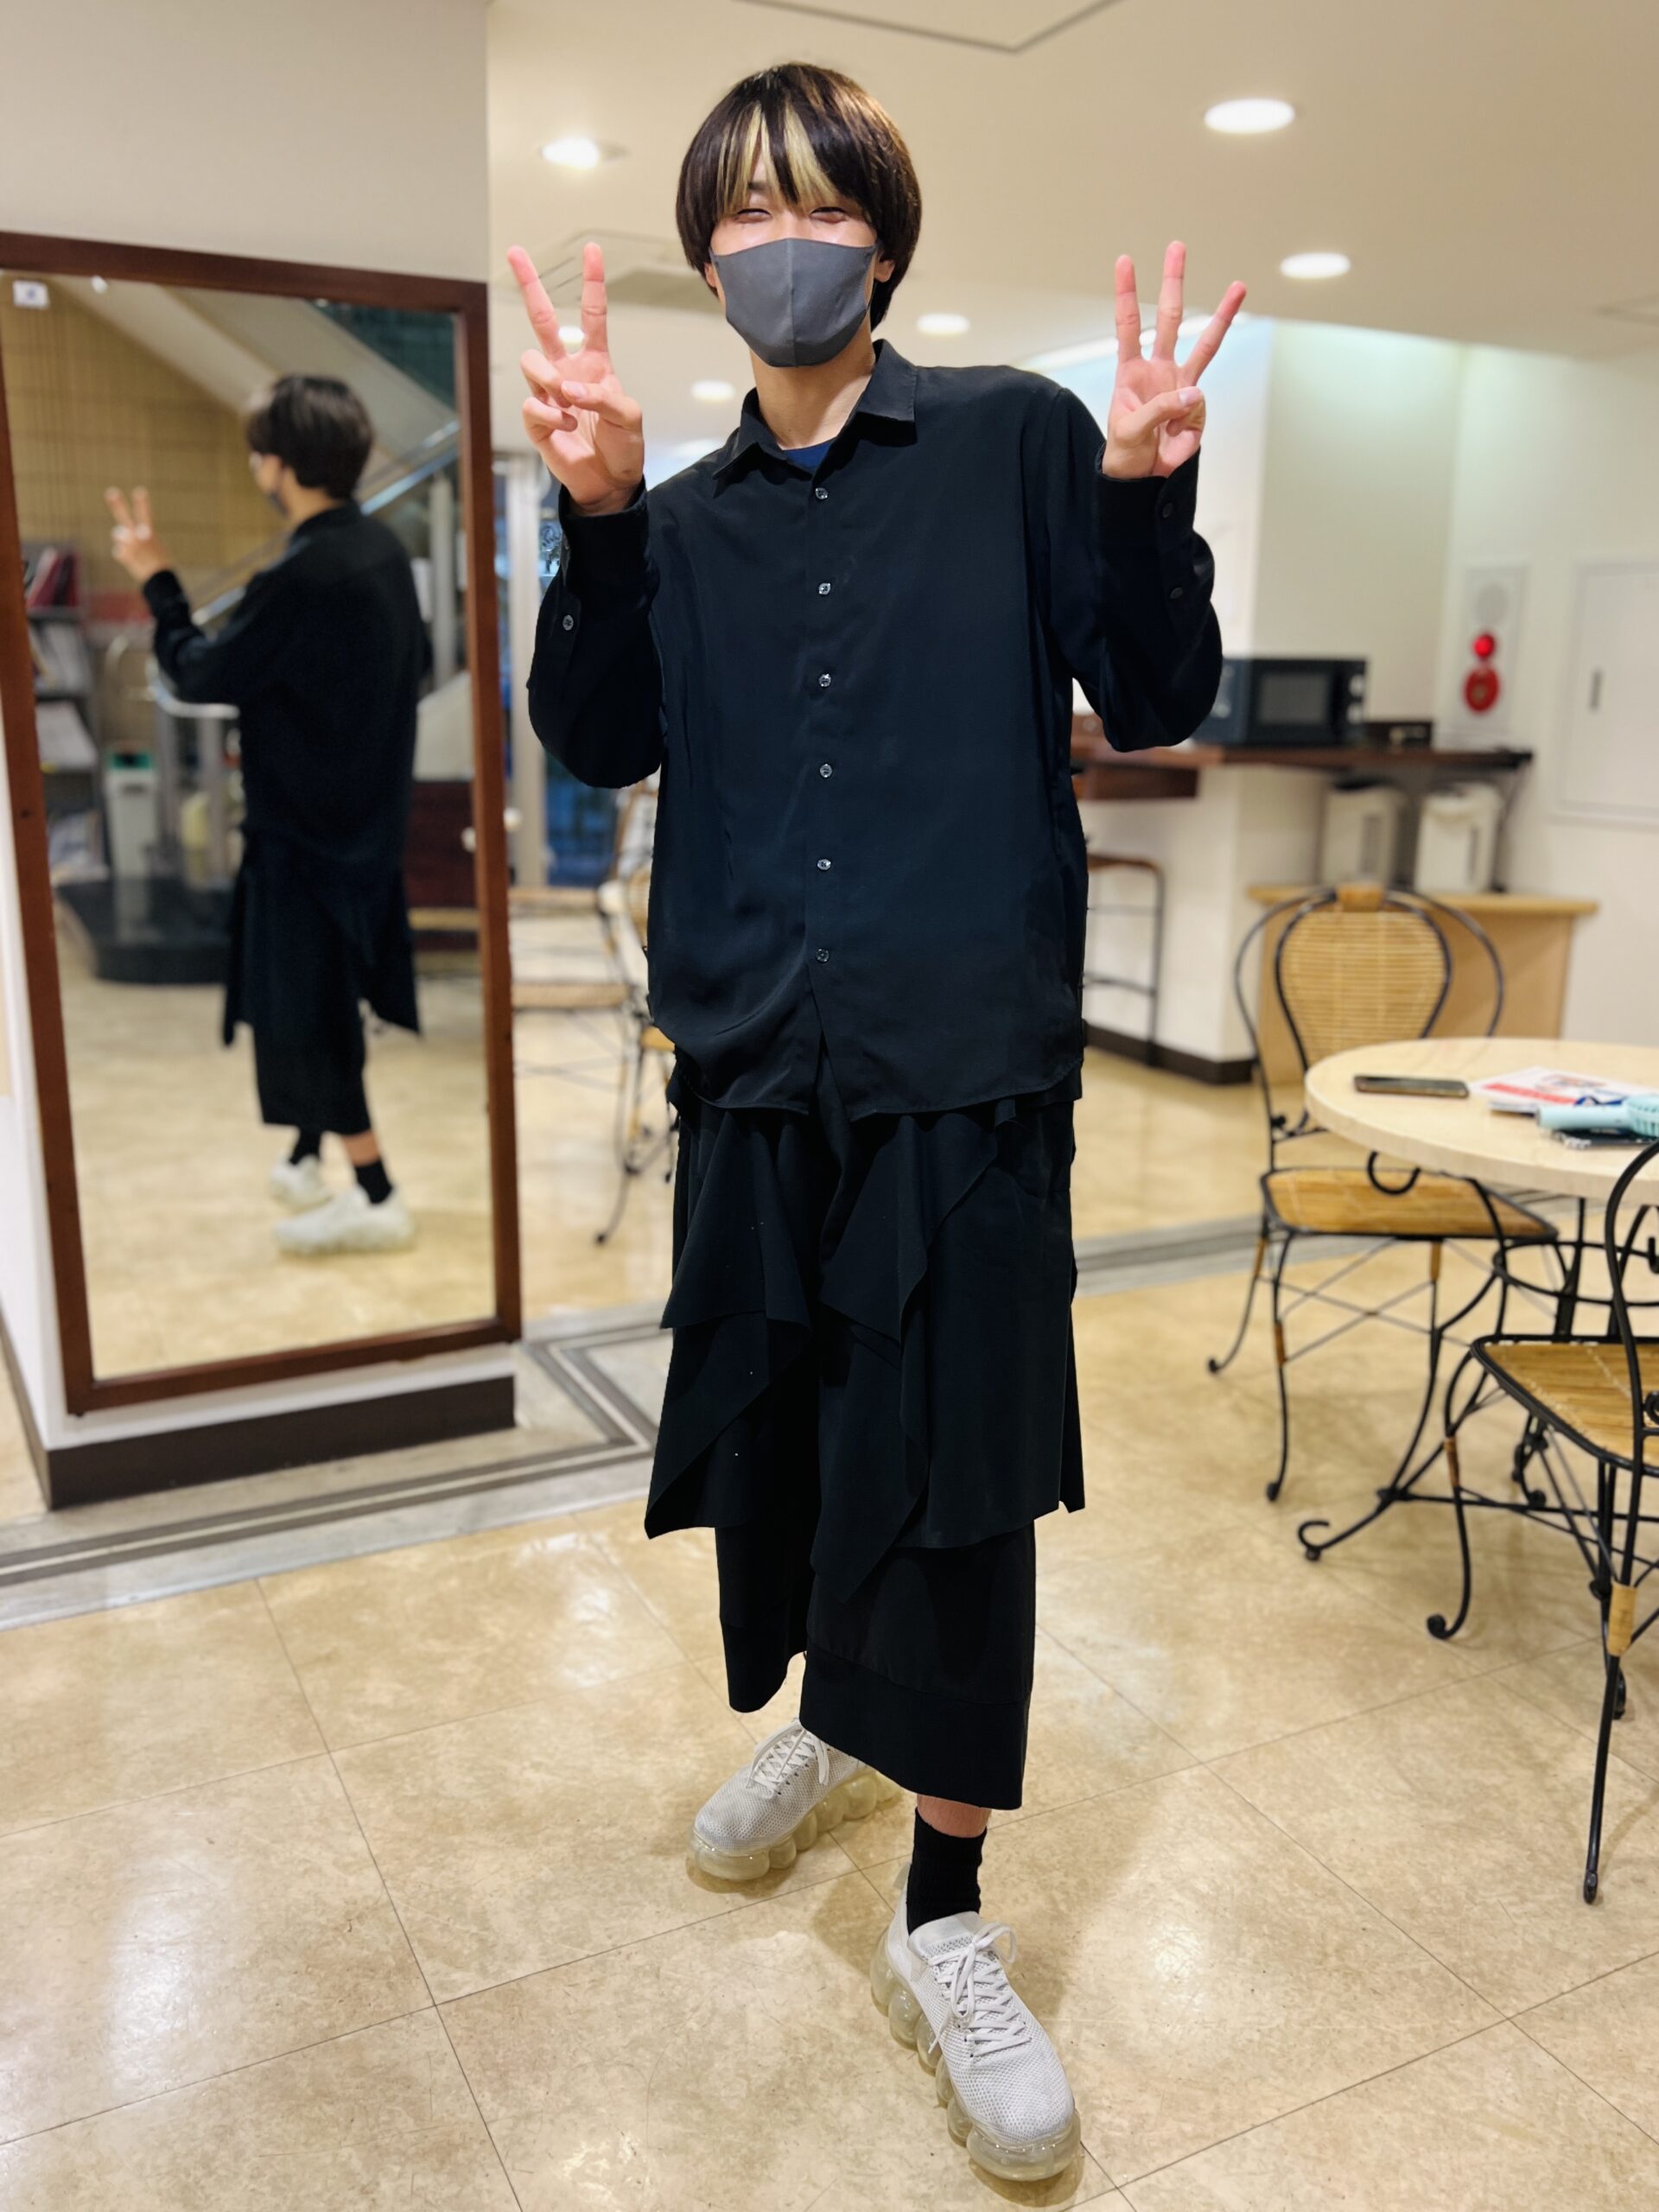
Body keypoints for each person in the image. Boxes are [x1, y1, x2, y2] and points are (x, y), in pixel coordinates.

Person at [519, 62, 1238, 2181]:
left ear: (886, 242)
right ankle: (833, 1721)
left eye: (814, 203)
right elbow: (597, 733)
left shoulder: (1017, 441)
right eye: (739, 212)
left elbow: (1160, 689)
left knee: (953, 1491)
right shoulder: (687, 516)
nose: (778, 241)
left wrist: (1147, 496)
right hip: (760, 1063)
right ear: (705, 251)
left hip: (964, 1078)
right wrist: (595, 518)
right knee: (795, 1444)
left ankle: (945, 1908)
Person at [107, 373, 428, 1255]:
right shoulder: (382, 551)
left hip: (306, 845)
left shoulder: (303, 574)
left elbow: (199, 673)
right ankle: (304, 1155)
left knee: (308, 1017)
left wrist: (158, 581)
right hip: (361, 835)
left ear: (279, 463)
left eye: (258, 452)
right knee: (311, 1001)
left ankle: (377, 1193)